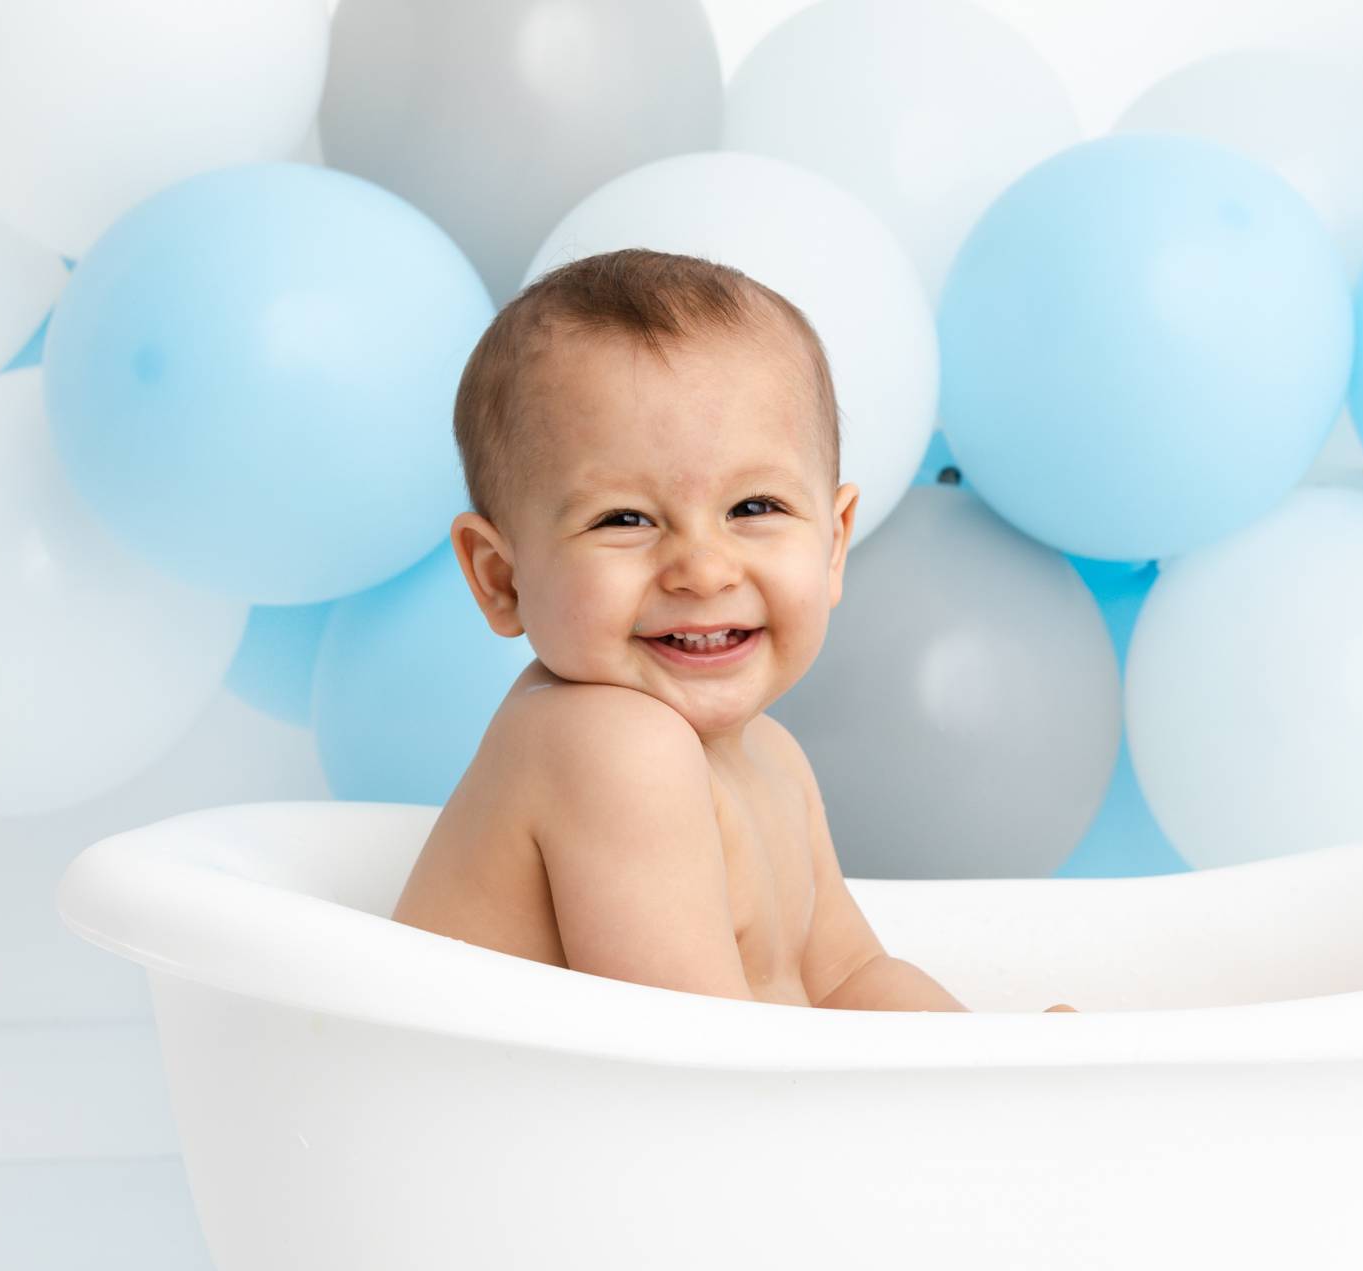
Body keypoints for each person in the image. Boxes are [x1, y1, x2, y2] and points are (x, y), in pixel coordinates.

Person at [391, 247, 1077, 1014]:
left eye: (754, 508)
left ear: (833, 543)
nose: (704, 570)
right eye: (624, 519)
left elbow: (849, 979)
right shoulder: (606, 746)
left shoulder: (773, 760)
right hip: (504, 1126)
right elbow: (696, 1059)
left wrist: (987, 1060)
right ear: (500, 577)